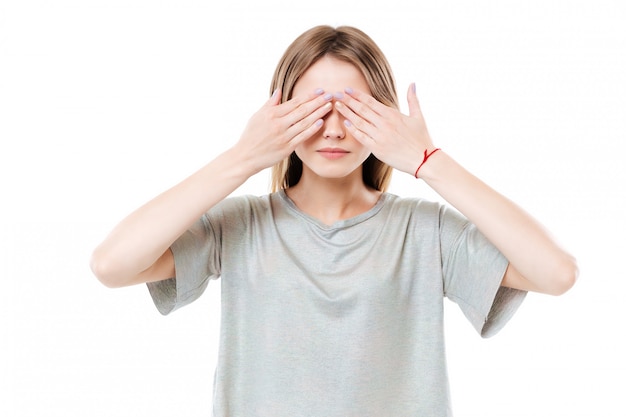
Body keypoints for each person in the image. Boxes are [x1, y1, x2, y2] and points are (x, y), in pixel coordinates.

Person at [90, 25, 577, 416]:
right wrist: (242, 158)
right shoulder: (239, 225)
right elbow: (112, 264)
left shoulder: (423, 231)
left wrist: (429, 161)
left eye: (354, 108)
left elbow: (556, 273)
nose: (335, 128)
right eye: (315, 107)